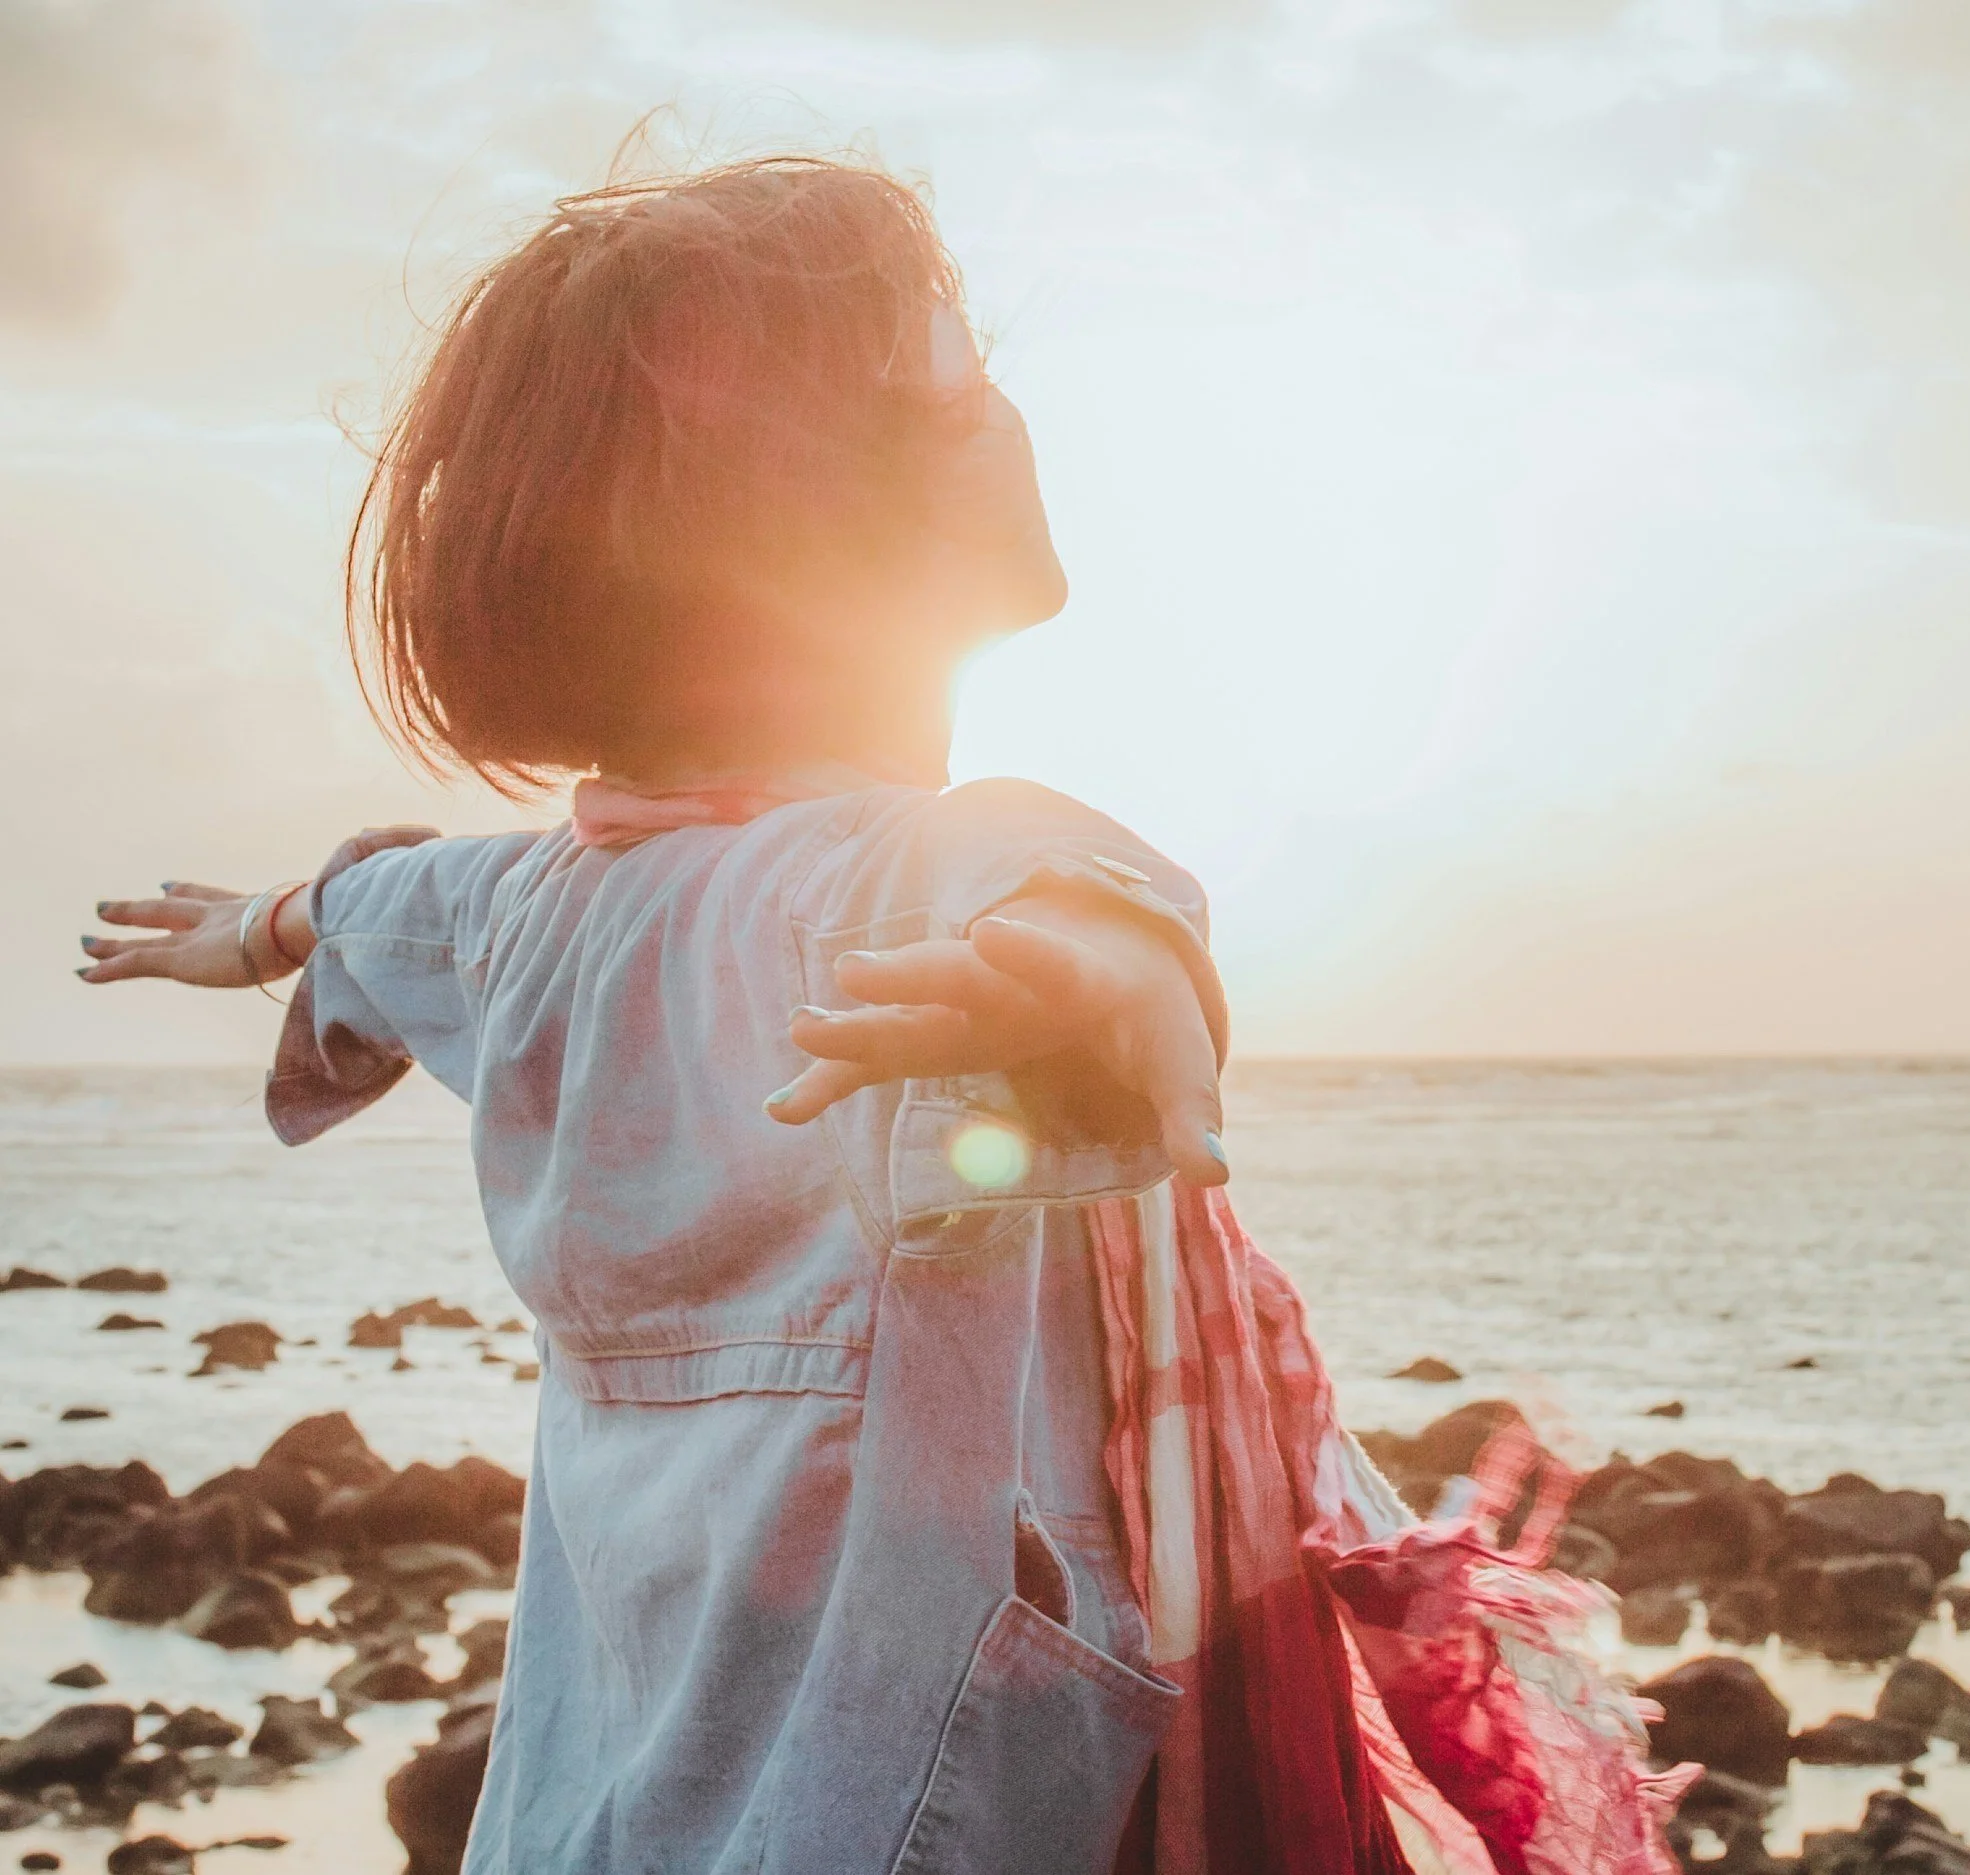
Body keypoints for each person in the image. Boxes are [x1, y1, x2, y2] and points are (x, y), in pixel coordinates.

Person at [79, 155, 1241, 1874]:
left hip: (603, 1805)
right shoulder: (906, 875)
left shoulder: (535, 906)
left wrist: (261, 926)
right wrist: (1094, 989)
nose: (1005, 410)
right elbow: (1061, 895)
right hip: (900, 1812)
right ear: (809, 506)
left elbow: (387, 903)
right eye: (957, 373)